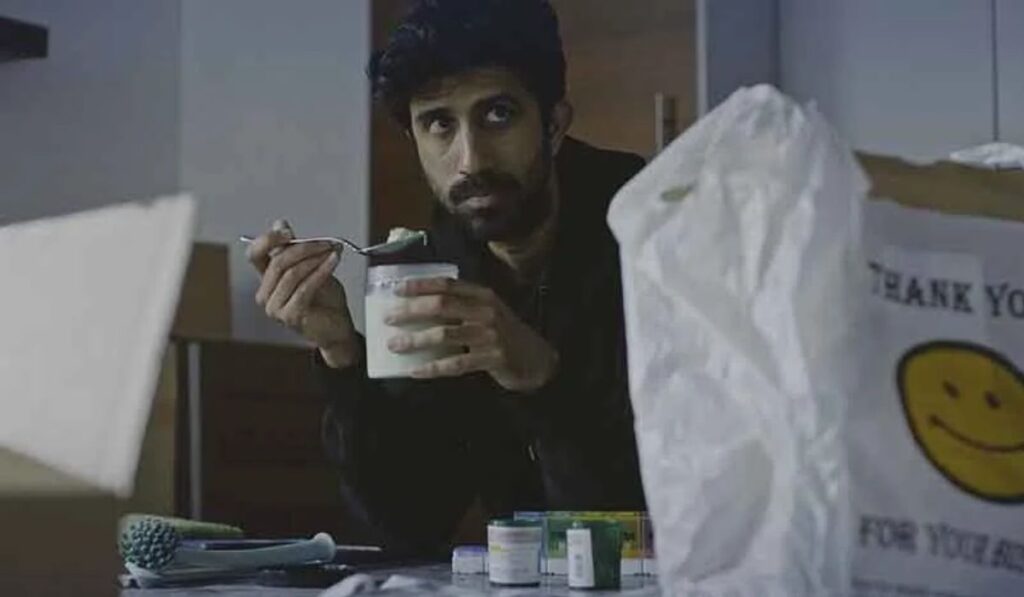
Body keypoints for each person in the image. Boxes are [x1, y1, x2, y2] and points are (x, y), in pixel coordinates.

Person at [246, 0, 646, 556]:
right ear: (414, 139)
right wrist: (342, 355)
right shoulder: (428, 265)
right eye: (439, 124)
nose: (470, 160)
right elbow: (411, 524)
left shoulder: (656, 234)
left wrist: (543, 378)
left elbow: (653, 521)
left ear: (553, 125)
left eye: (498, 114)